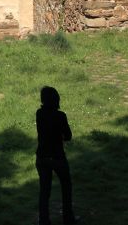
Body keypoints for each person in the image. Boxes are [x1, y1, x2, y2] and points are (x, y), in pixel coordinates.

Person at [35, 86, 76, 225]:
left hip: (42, 156)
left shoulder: (39, 114)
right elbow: (68, 136)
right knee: (66, 186)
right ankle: (68, 218)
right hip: (58, 157)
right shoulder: (60, 116)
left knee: (44, 191)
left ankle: (44, 220)